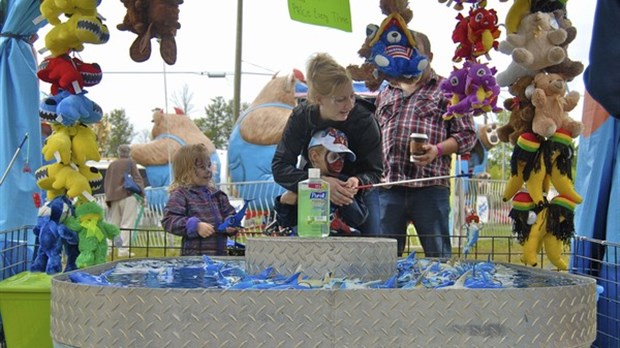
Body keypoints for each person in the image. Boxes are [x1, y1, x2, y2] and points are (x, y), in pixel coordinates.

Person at [374, 31, 477, 257]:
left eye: (415, 50)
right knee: (384, 261)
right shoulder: (386, 91)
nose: (407, 55)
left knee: (437, 258)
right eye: (405, 49)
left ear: (429, 55)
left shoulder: (449, 89)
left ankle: (441, 294)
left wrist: (437, 150)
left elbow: (468, 135)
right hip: (390, 186)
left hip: (430, 188)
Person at [271, 52, 383, 234]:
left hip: (356, 193)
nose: (349, 105)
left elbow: (375, 171)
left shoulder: (364, 119)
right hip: (313, 189)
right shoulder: (301, 117)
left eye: (352, 96)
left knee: (372, 242)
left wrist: (357, 181)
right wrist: (320, 184)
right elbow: (280, 166)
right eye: (340, 99)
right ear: (318, 99)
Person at [272, 127, 368, 235]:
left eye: (342, 157)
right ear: (314, 156)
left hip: (342, 241)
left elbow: (358, 218)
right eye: (334, 156)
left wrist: (347, 199)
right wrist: (284, 202)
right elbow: (286, 222)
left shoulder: (345, 181)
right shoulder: (302, 184)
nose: (339, 162)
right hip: (309, 240)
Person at [161, 143, 241, 256]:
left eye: (209, 166)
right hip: (194, 260)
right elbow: (169, 220)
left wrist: (231, 223)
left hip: (220, 257)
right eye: (202, 167)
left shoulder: (218, 195)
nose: (208, 170)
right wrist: (194, 226)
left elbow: (230, 214)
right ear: (186, 170)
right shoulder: (181, 194)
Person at [103, 144, 145, 257]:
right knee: (127, 224)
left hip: (113, 197)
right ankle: (123, 251)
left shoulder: (112, 164)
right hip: (128, 196)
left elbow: (107, 182)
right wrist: (142, 194)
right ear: (129, 152)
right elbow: (137, 178)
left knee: (113, 225)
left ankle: (108, 249)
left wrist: (109, 198)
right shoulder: (130, 162)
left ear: (118, 152)